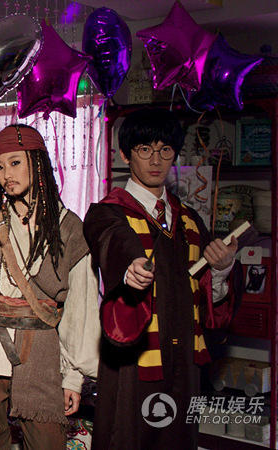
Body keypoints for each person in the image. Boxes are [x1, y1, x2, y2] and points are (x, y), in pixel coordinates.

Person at [83, 108, 241, 449]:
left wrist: (222, 268)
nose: (156, 160)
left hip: (184, 364)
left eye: (165, 150)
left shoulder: (190, 220)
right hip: (134, 362)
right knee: (127, 439)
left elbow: (210, 302)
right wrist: (131, 268)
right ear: (125, 154)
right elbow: (113, 242)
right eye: (144, 149)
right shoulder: (109, 212)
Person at [0, 124, 100, 449]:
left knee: (46, 443)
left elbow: (80, 309)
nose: (6, 175)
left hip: (43, 357)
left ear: (37, 162)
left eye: (15, 163)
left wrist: (73, 378)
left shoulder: (68, 228)